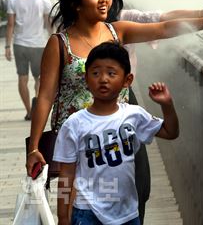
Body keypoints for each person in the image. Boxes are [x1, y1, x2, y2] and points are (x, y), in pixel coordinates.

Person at [70, 0, 203, 222]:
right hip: (84, 117)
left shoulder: (121, 23)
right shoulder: (67, 36)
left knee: (138, 179)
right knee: (86, 181)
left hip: (121, 107)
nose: (103, 0)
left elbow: (163, 22)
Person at [26, 0, 203, 180]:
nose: (104, 0)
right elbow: (45, 96)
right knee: (74, 201)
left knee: (122, 195)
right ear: (76, 4)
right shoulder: (59, 43)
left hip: (114, 141)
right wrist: (34, 148)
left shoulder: (117, 31)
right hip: (76, 141)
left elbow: (163, 28)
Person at [54, 42, 179, 225]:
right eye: (95, 73)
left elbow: (171, 132)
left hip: (127, 213)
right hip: (87, 212)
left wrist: (167, 105)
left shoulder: (133, 115)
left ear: (127, 80)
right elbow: (66, 175)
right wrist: (63, 217)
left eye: (111, 73)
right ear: (86, 78)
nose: (103, 79)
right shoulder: (74, 124)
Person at [4, 0, 52, 120]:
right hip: (39, 43)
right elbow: (48, 24)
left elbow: (11, 25)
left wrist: (7, 46)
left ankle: (29, 111)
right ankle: (37, 104)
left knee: (22, 78)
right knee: (39, 78)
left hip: (20, 44)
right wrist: (54, 42)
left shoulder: (13, 0)